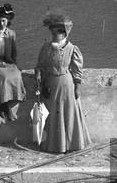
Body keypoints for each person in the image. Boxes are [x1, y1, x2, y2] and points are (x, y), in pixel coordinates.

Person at [34, 11, 92, 153]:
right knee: (52, 114)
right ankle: (54, 145)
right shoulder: (46, 47)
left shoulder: (72, 49)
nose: (53, 36)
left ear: (64, 34)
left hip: (67, 84)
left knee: (69, 113)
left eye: (56, 34)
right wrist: (39, 80)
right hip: (50, 84)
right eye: (52, 33)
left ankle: (72, 144)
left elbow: (77, 70)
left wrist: (77, 87)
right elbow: (40, 65)